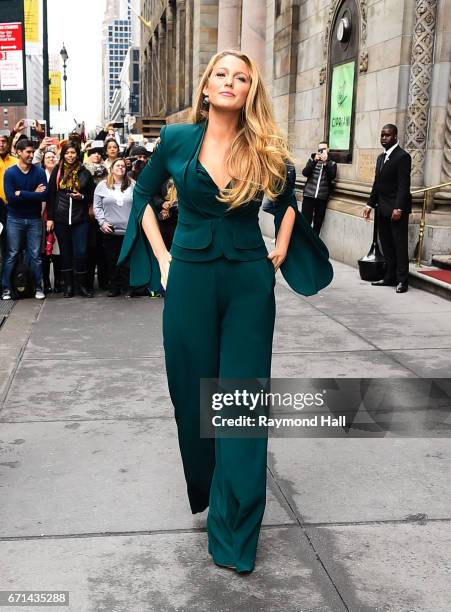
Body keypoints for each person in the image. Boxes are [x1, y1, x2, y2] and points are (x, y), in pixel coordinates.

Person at [118, 50, 333, 573]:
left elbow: (287, 204)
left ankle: (237, 532)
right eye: (222, 74)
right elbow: (142, 197)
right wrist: (164, 259)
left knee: (239, 403)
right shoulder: (175, 141)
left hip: (247, 285)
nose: (230, 82)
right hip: (189, 279)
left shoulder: (264, 147)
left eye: (241, 76)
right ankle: (212, 489)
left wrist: (279, 250)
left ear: (249, 89)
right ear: (207, 86)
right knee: (193, 399)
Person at [364, 124, 412, 293]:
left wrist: (398, 208)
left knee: (399, 245)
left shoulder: (402, 157)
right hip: (382, 209)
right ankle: (390, 276)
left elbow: (403, 186)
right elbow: (377, 184)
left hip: (396, 210)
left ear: (395, 136)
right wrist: (370, 204)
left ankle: (402, 281)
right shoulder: (380, 158)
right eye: (382, 135)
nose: (384, 138)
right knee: (386, 245)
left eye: (387, 135)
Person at [47, 141, 95, 298]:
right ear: (63, 154)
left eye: (73, 153)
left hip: (80, 218)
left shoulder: (85, 172)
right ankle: (68, 286)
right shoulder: (57, 171)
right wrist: (50, 218)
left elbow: (92, 196)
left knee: (81, 251)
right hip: (61, 218)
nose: (70, 156)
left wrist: (80, 196)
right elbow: (51, 195)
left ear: (78, 154)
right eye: (67, 153)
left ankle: (81, 285)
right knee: (65, 253)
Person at [2, 139, 47, 300]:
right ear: (19, 152)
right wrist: (33, 193)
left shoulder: (40, 172)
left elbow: (44, 195)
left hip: (34, 219)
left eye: (32, 151)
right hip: (14, 219)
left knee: (35, 256)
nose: (31, 155)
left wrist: (22, 193)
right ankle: (6, 289)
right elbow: (10, 198)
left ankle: (38, 288)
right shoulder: (10, 173)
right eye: (27, 152)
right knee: (12, 254)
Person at [93, 158, 134, 297]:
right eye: (118, 165)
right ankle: (114, 287)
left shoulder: (133, 184)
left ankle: (127, 287)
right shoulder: (102, 185)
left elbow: (138, 205)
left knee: (128, 260)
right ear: (111, 168)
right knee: (112, 260)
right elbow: (97, 207)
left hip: (129, 230)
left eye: (123, 166)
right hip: (110, 230)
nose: (121, 168)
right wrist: (102, 222)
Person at [301, 141, 337, 235]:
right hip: (309, 195)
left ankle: (314, 247)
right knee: (305, 223)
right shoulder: (311, 160)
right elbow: (305, 173)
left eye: (323, 149)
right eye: (319, 150)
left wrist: (325, 163)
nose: (321, 151)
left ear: (328, 150)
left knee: (318, 224)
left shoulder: (332, 163)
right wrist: (314, 161)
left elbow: (332, 176)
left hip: (322, 198)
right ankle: (305, 245)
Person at [41, 150, 61, 293]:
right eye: (47, 157)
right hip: (41, 216)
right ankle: (46, 281)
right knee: (44, 252)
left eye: (53, 157)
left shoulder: (60, 173)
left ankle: (59, 282)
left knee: (57, 251)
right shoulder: (39, 174)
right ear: (42, 160)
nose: (51, 159)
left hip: (58, 215)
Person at [0, 131, 18, 289]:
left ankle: (11, 283)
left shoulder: (15, 161)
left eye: (4, 141)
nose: (1, 144)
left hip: (13, 208)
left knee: (11, 247)